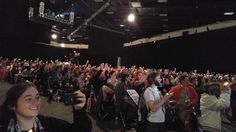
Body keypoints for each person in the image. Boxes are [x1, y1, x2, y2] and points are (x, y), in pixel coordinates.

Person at [0, 82, 92, 132]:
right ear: (12, 106)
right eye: (28, 99)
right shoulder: (3, 126)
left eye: (37, 97)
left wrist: (79, 110)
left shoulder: (49, 124)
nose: (36, 102)